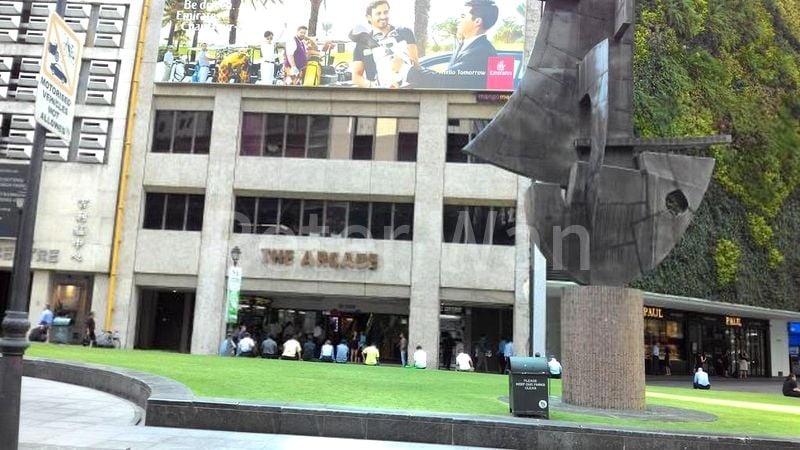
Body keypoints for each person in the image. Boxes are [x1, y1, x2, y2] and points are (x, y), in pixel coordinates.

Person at [405, 0, 499, 90]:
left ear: (477, 21)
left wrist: (407, 71)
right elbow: (446, 77)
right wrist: (418, 67)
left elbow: (444, 82)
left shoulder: (481, 52)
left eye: (463, 16)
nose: (459, 20)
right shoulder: (468, 46)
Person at [351, 0, 419, 88]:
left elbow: (416, 63)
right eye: (378, 13)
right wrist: (374, 86)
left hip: (407, 89)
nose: (383, 16)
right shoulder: (362, 43)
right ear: (369, 17)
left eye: (386, 12)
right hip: (380, 94)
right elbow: (356, 77)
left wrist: (401, 61)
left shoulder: (405, 32)